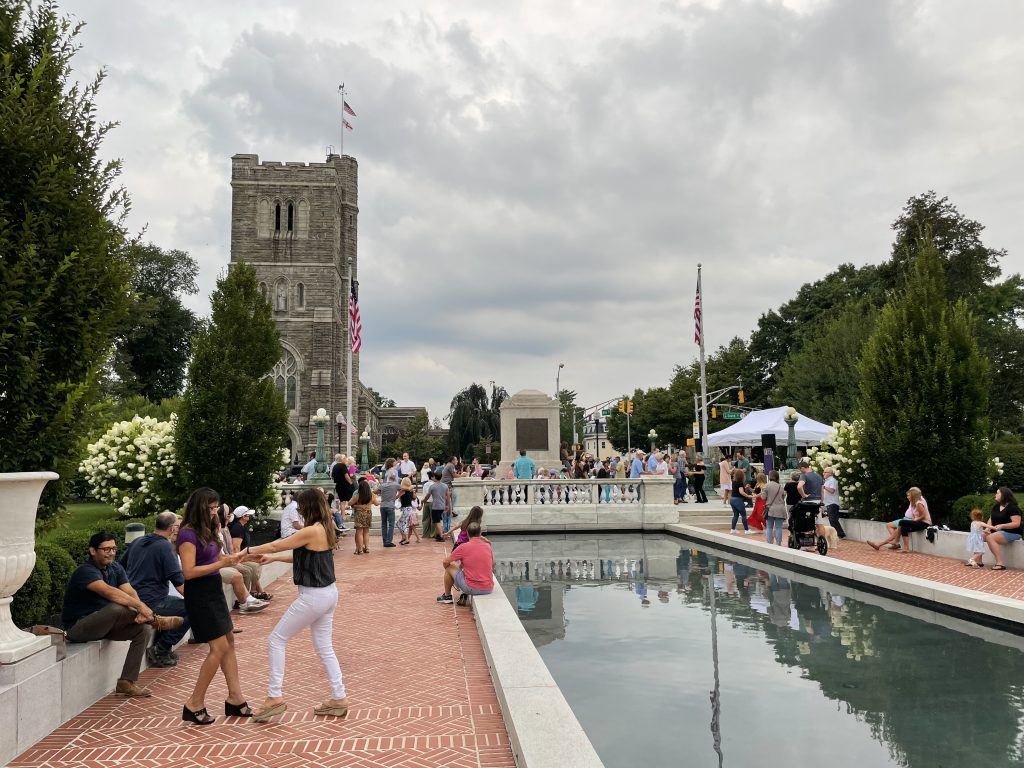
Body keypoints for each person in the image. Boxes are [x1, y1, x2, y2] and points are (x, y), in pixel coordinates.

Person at [247, 489, 349, 722]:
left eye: (301, 506)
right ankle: (338, 697)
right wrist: (272, 559)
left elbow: (276, 545)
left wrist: (247, 552)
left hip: (313, 596)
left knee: (276, 640)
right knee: (324, 647)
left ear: (308, 507)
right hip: (328, 594)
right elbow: (303, 556)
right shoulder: (325, 527)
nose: (299, 510)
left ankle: (274, 696)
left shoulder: (312, 530)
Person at [62, 531, 183, 697]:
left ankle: (126, 682)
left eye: (113, 549)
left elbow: (130, 591)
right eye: (106, 549)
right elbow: (109, 592)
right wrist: (143, 610)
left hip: (105, 625)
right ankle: (156, 621)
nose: (111, 553)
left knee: (143, 630)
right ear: (92, 551)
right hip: (79, 628)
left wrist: (142, 610)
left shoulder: (115, 567)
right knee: (116, 607)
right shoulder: (85, 571)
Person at [177, 488, 251, 724]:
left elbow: (216, 559)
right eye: (210, 508)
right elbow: (188, 572)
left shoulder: (208, 530)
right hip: (199, 594)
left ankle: (235, 697)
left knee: (229, 642)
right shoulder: (187, 534)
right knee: (218, 648)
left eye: (215, 508)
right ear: (199, 507)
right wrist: (221, 563)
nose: (214, 512)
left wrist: (236, 559)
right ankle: (194, 702)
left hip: (213, 589)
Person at [120, 511, 191, 668]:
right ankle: (160, 649)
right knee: (193, 608)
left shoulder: (138, 541)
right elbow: (179, 583)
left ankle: (162, 646)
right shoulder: (166, 547)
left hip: (134, 599)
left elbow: (119, 566)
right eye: (178, 527)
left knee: (178, 605)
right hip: (152, 602)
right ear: (173, 528)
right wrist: (199, 601)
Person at [437, 521, 494, 605]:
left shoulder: (463, 547)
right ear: (480, 533)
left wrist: (452, 574)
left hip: (472, 588)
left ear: (467, 533)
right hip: (488, 588)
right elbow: (493, 564)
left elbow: (445, 561)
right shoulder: (487, 546)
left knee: (450, 565)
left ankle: (447, 596)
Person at [969, 486, 1022, 570]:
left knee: (990, 537)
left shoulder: (1013, 508)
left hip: (1012, 533)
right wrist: (987, 529)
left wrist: (1002, 526)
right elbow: (991, 519)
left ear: (1003, 495)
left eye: (997, 493)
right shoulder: (996, 506)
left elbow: (1016, 523)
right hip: (997, 532)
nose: (995, 495)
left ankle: (1000, 563)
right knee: (979, 535)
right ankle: (978, 561)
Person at [227, 506, 273, 601]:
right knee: (255, 566)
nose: (250, 516)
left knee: (257, 563)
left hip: (243, 556)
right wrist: (242, 559)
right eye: (248, 514)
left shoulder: (241, 526)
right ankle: (251, 594)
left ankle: (254, 592)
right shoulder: (238, 528)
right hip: (239, 557)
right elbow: (236, 548)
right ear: (243, 516)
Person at [867, 487, 931, 553]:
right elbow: (914, 514)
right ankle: (906, 548)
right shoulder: (912, 503)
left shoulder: (919, 503)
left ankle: (896, 541)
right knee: (903, 528)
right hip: (918, 521)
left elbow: (923, 516)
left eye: (908, 495)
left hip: (924, 522)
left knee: (901, 522)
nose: (907, 497)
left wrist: (915, 520)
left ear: (913, 495)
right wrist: (914, 519)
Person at [350, 479, 378, 554]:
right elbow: (376, 503)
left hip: (359, 514)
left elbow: (349, 503)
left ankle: (360, 549)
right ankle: (367, 548)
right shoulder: (371, 495)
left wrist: (357, 505)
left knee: (359, 532)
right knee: (366, 531)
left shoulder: (357, 496)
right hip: (368, 513)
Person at [761, 470, 788, 545]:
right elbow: (783, 497)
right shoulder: (780, 487)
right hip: (780, 509)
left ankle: (769, 543)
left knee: (769, 527)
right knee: (779, 527)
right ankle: (778, 543)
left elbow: (763, 497)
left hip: (770, 509)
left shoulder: (766, 486)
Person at [379, 458, 399, 548]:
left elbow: (376, 491)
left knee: (384, 524)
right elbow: (403, 488)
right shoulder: (392, 472)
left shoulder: (387, 473)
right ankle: (388, 541)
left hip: (383, 503)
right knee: (391, 523)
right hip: (391, 500)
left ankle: (384, 540)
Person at [425, 469, 450, 541]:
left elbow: (428, 495)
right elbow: (448, 496)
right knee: (438, 520)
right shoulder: (445, 486)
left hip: (435, 506)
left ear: (434, 477)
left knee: (436, 521)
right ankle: (439, 534)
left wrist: (424, 501)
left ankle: (441, 536)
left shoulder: (432, 486)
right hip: (442, 506)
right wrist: (447, 505)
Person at [822, 466, 846, 539]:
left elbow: (832, 490)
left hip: (833, 503)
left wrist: (824, 487)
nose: (823, 473)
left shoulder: (832, 480)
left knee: (833, 520)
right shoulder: (827, 481)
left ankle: (841, 534)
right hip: (828, 503)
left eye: (825, 472)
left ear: (830, 473)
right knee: (832, 520)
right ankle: (838, 534)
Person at [729, 468, 754, 534]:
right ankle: (746, 530)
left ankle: (733, 529)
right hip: (738, 500)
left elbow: (737, 490)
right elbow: (741, 492)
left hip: (732, 499)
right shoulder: (740, 483)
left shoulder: (733, 482)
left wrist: (745, 487)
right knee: (743, 515)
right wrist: (748, 496)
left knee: (735, 515)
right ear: (742, 476)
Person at [397, 476, 421, 544]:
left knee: (402, 523)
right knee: (400, 523)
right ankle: (404, 537)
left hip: (406, 508)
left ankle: (406, 539)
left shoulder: (403, 490)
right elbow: (414, 497)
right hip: (409, 508)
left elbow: (396, 497)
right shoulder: (411, 490)